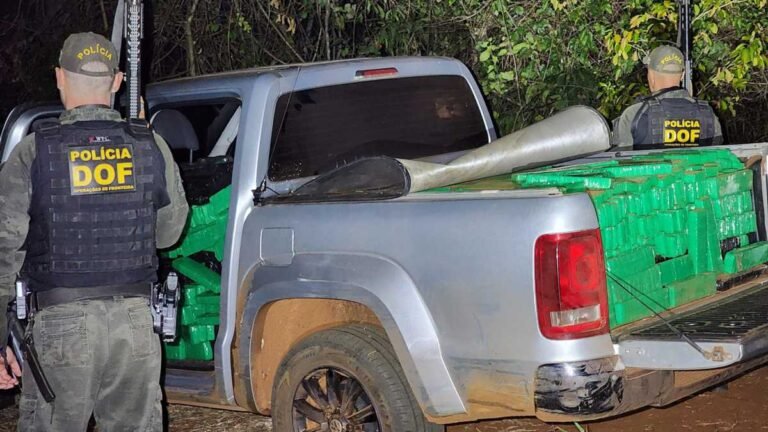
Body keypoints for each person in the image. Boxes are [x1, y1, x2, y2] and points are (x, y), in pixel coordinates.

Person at [0, 32, 188, 431]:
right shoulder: (151, 145)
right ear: (117, 82)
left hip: (61, 325)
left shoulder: (33, 151)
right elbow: (169, 234)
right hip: (135, 324)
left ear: (59, 77)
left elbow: (3, 252)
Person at [612, 45, 724, 149]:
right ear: (683, 75)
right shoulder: (708, 114)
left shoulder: (634, 114)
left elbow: (620, 158)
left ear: (651, 75)